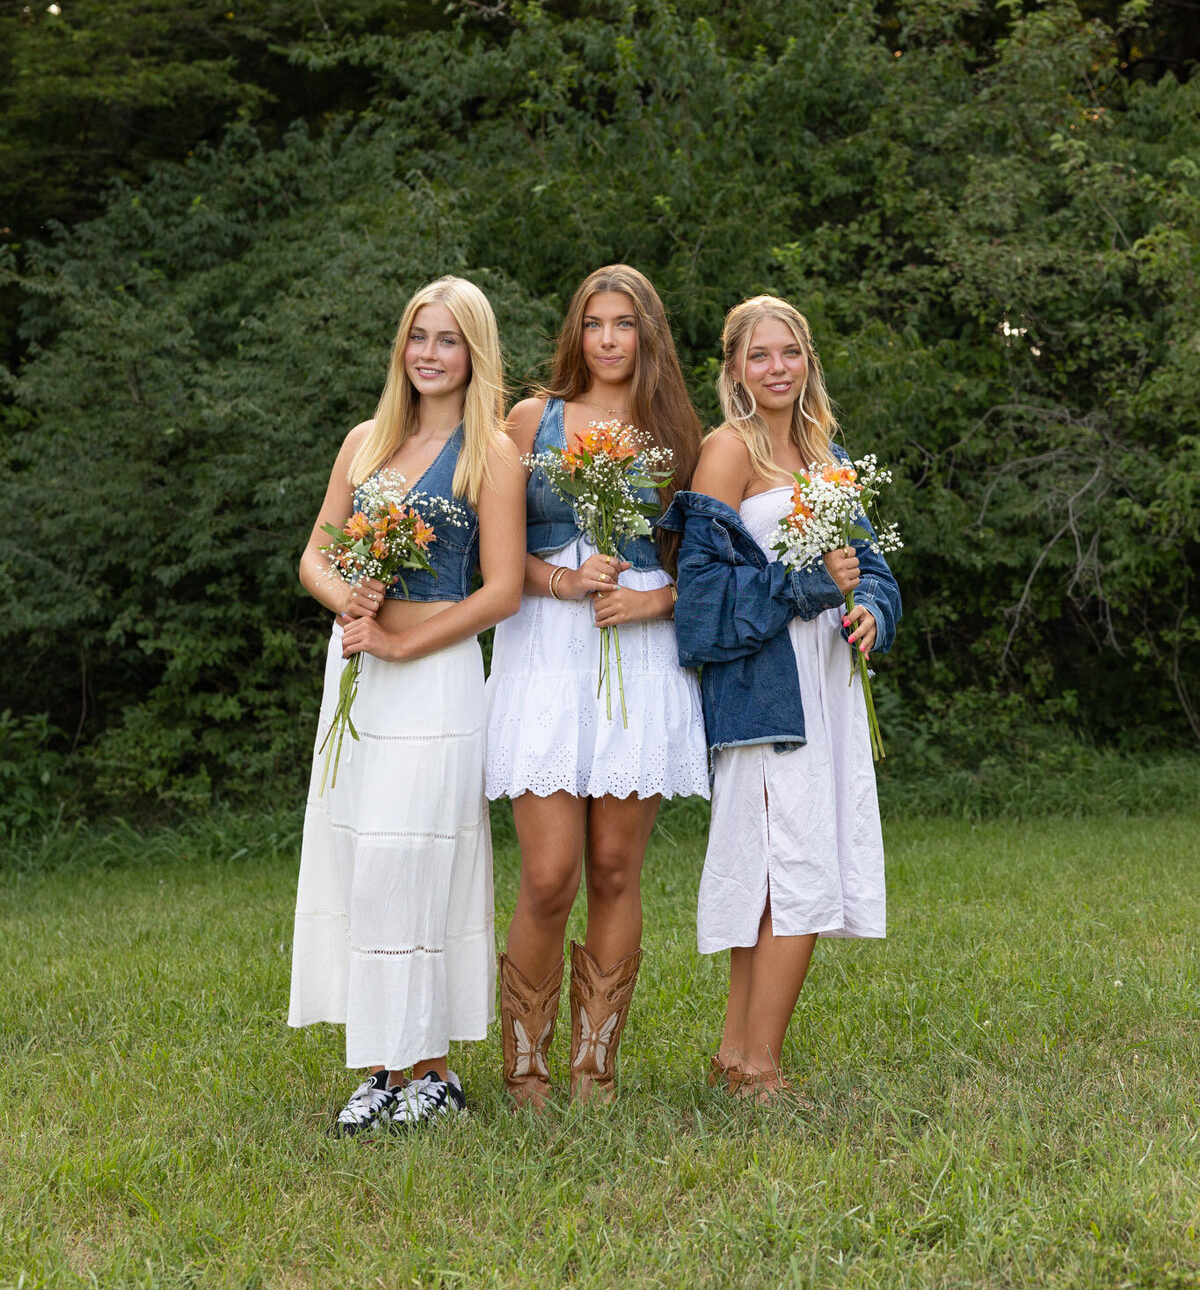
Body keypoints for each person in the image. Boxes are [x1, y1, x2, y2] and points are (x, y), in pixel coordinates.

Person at [289, 276, 525, 1135]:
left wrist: (400, 643)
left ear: (474, 352)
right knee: (364, 858)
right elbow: (315, 554)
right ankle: (382, 1069)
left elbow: (501, 592)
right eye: (419, 336)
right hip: (358, 673)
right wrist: (345, 599)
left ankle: (436, 1070)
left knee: (418, 860)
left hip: (434, 676)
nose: (430, 353)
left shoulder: (489, 453)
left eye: (448, 339)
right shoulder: (366, 441)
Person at [658, 294, 902, 1102]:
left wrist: (872, 611)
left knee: (784, 870)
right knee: (792, 871)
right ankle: (761, 1068)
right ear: (734, 368)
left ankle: (736, 1057)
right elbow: (700, 604)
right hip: (764, 690)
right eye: (759, 355)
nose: (776, 368)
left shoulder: (828, 452)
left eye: (789, 352)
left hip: (829, 685)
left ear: (808, 360)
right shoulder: (727, 451)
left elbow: (872, 570)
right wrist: (808, 585)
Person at [486, 265, 709, 1106]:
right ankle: (525, 1065)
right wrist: (562, 582)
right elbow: (491, 555)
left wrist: (656, 601)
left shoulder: (679, 435)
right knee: (550, 874)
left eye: (624, 324)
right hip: (545, 651)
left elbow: (711, 569)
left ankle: (594, 1068)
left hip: (638, 656)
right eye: (593, 323)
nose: (608, 339)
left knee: (615, 869)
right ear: (575, 333)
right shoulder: (529, 420)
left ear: (648, 335)